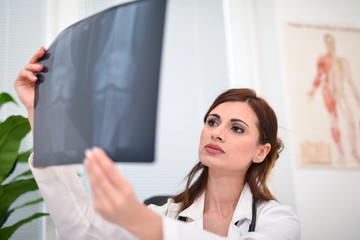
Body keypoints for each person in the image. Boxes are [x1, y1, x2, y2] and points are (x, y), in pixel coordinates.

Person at [15, 47, 300, 240]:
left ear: (261, 152)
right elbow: (83, 230)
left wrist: (144, 223)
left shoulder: (279, 220)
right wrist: (38, 113)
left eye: (236, 128)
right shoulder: (165, 213)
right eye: (212, 122)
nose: (217, 133)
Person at [308, 33, 360, 164]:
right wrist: (312, 91)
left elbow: (349, 80)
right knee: (334, 123)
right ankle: (341, 152)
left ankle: (353, 151)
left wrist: (357, 97)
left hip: (340, 95)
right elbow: (319, 76)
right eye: (328, 42)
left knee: (351, 123)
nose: (330, 45)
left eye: (332, 42)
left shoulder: (342, 61)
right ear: (325, 44)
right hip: (328, 95)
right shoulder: (322, 59)